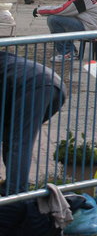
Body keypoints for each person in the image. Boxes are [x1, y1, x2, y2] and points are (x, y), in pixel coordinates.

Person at [0, 52, 65, 194]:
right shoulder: (7, 61)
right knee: (12, 136)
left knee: (19, 141)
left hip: (32, 87)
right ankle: (14, 187)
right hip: (54, 85)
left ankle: (15, 193)